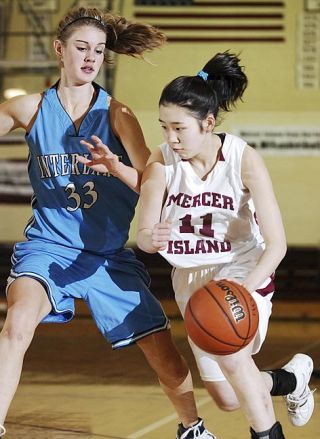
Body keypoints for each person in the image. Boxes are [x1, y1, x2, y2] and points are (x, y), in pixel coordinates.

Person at [0, 7, 215, 439]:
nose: (90, 57)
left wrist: (116, 168)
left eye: (98, 51)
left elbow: (151, 184)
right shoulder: (28, 108)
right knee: (18, 322)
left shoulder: (118, 114)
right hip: (49, 248)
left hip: (107, 258)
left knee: (166, 359)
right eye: (82, 48)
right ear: (59, 50)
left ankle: (191, 427)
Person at [136, 52, 315, 439]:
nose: (170, 137)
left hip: (243, 268)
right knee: (230, 397)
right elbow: (144, 234)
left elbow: (278, 245)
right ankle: (291, 379)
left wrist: (241, 290)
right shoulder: (162, 161)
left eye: (179, 128)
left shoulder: (243, 159)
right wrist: (152, 237)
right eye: (164, 127)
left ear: (208, 123)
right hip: (191, 279)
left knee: (234, 362)